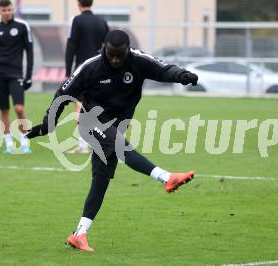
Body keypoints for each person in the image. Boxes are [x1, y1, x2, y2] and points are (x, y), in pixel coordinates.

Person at [27, 30, 199, 252]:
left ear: (127, 50)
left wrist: (182, 75)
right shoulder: (91, 67)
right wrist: (47, 124)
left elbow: (163, 69)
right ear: (104, 51)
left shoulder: (138, 60)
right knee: (120, 146)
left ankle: (79, 234)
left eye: (120, 55)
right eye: (111, 55)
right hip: (90, 121)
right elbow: (62, 93)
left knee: (101, 180)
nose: (115, 60)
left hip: (116, 124)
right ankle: (166, 177)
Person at [0, 0, 33, 154]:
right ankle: (9, 144)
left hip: (16, 74)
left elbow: (29, 52)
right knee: (4, 110)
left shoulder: (22, 26)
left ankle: (25, 141)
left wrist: (29, 75)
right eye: (4, 10)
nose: (7, 12)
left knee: (19, 108)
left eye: (9, 9)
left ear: (12, 10)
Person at [65, 0, 109, 154]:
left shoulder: (76, 20)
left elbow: (71, 46)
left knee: (80, 104)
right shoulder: (102, 21)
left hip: (83, 69)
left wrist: (67, 71)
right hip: (100, 68)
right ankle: (100, 141)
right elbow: (108, 45)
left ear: (79, 4)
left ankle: (83, 145)